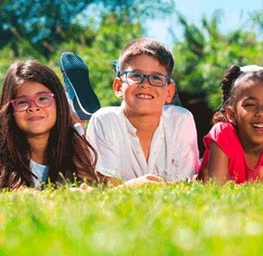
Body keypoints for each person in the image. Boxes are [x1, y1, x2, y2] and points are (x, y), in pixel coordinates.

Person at [0, 60, 100, 189]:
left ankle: (74, 113)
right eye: (22, 102)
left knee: (77, 137)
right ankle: (74, 110)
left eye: (42, 99)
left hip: (74, 137)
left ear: (58, 103)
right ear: (10, 111)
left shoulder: (76, 150)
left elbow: (93, 188)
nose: (33, 107)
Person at [85, 38, 199, 185]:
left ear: (169, 92)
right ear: (118, 87)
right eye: (136, 76)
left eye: (156, 78)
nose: (145, 84)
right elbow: (107, 187)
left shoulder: (182, 121)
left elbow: (183, 184)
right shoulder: (104, 120)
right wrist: (139, 186)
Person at [198, 65, 263, 183]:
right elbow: (216, 187)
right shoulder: (223, 132)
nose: (261, 113)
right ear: (231, 114)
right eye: (250, 105)